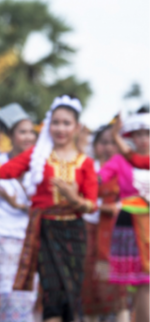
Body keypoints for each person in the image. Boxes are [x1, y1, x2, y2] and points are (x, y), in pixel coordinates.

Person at [0, 95, 98, 322]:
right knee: (52, 294)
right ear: (48, 125)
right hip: (46, 232)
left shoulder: (86, 163)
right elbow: (3, 172)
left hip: (75, 233)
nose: (60, 128)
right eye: (56, 122)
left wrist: (75, 199)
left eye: (66, 123)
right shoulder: (37, 156)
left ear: (77, 127)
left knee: (72, 294)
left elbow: (91, 204)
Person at [97, 112, 150, 320]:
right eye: (138, 134)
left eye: (148, 134)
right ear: (132, 137)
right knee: (135, 284)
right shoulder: (120, 160)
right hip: (129, 223)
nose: (144, 139)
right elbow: (98, 179)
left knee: (145, 283)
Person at [0, 103, 37, 322]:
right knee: (7, 294)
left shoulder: (39, 166)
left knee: (28, 296)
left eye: (31, 132)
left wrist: (21, 205)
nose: (28, 137)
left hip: (30, 237)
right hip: (2, 235)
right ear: (10, 134)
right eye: (22, 132)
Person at [81, 123, 127, 321]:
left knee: (118, 289)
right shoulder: (88, 167)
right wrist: (101, 207)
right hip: (88, 229)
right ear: (95, 145)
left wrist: (113, 207)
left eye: (111, 143)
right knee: (89, 284)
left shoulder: (124, 169)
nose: (107, 147)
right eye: (103, 142)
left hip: (116, 233)